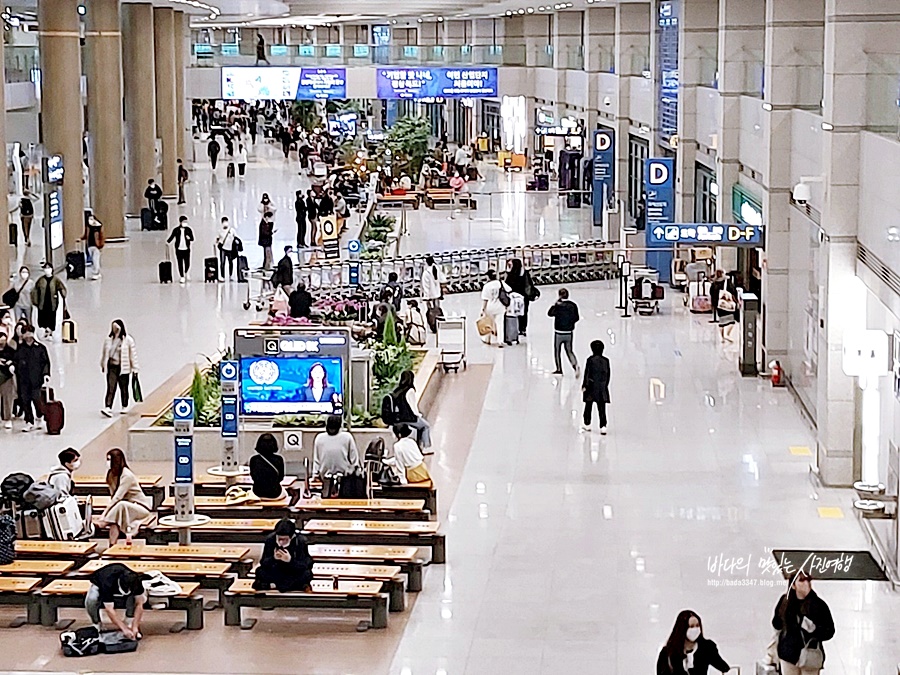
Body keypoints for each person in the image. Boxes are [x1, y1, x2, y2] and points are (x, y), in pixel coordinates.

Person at [772, 571, 835, 675]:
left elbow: (829, 631)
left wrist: (814, 629)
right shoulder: (785, 602)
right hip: (788, 655)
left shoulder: (818, 605)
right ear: (793, 585)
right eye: (801, 580)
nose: (806, 583)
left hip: (809, 655)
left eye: (808, 580)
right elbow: (776, 624)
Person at [99, 448, 152, 546]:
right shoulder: (111, 475)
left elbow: (117, 497)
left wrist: (104, 515)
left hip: (140, 508)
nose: (107, 462)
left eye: (109, 459)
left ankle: (104, 522)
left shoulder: (127, 475)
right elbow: (113, 496)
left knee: (120, 505)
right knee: (114, 520)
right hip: (124, 509)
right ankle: (112, 545)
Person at [85, 563, 149, 639]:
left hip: (121, 579)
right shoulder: (107, 583)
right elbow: (109, 609)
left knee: (135, 598)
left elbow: (139, 604)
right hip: (99, 581)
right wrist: (124, 629)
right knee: (91, 599)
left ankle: (129, 621)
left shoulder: (136, 580)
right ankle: (96, 623)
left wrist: (135, 626)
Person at [656, 610, 730, 675]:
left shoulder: (706, 647)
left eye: (697, 626)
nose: (695, 629)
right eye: (691, 626)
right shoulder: (668, 652)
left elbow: (723, 667)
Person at [252, 519, 313, 593]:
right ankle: (286, 586)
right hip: (276, 571)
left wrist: (290, 561)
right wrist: (273, 558)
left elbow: (306, 564)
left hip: (292, 572)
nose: (281, 542)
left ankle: (274, 585)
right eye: (279, 539)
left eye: (285, 540)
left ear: (292, 537)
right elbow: (263, 563)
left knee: (307, 574)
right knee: (260, 571)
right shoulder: (270, 540)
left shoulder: (300, 541)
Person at [12, 324, 49, 432]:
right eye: (26, 333)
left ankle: (40, 416)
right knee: (25, 400)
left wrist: (46, 374)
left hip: (36, 378)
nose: (28, 335)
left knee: (36, 398)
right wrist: (13, 366)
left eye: (30, 332)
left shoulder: (40, 348)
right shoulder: (20, 349)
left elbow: (45, 362)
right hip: (23, 379)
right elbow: (15, 360)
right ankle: (29, 421)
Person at [100, 319, 139, 418]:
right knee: (111, 387)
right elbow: (105, 353)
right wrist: (103, 365)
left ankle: (124, 405)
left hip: (123, 367)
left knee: (124, 387)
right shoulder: (108, 340)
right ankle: (108, 406)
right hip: (112, 366)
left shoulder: (128, 340)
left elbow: (132, 355)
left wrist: (135, 368)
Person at [390, 369, 432, 452]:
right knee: (425, 426)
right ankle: (426, 447)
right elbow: (412, 406)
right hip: (409, 418)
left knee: (420, 427)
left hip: (399, 418)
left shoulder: (397, 391)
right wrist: (419, 415)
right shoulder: (410, 390)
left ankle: (420, 445)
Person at [312, 414, 361, 479]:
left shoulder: (319, 438)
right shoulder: (347, 437)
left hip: (326, 477)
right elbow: (354, 460)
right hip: (344, 477)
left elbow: (316, 461)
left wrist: (315, 474)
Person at [547, 288, 580, 376]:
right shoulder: (573, 305)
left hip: (559, 332)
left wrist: (554, 304)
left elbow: (549, 313)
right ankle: (575, 365)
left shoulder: (558, 306)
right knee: (569, 350)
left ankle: (559, 369)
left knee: (557, 351)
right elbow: (577, 318)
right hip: (569, 332)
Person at [581, 340, 611, 434]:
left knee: (588, 406)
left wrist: (585, 385)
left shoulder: (590, 360)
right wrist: (605, 384)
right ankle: (603, 425)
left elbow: (587, 373)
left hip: (591, 386)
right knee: (602, 408)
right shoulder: (606, 361)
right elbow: (607, 374)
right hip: (601, 387)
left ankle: (587, 423)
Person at [504, 258, 539, 335]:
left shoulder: (511, 274)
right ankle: (523, 329)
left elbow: (507, 285)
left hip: (514, 298)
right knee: (524, 313)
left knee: (514, 313)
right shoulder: (525, 274)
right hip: (524, 298)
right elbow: (529, 285)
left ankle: (514, 328)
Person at [31, 265, 67, 339]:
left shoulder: (56, 280)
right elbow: (35, 290)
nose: (47, 270)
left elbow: (62, 288)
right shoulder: (40, 280)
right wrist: (35, 301)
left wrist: (63, 294)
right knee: (42, 317)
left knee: (51, 317)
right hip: (42, 302)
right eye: (45, 268)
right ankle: (45, 330)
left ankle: (50, 331)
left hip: (52, 302)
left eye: (49, 268)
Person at [249, 433, 285, 499]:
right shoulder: (279, 459)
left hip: (257, 492)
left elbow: (253, 477)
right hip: (275, 493)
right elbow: (281, 478)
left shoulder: (254, 460)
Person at [480, 269, 509, 347]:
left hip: (490, 306)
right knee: (500, 324)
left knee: (488, 323)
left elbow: (485, 299)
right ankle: (500, 341)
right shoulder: (500, 283)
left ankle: (487, 339)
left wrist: (483, 309)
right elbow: (509, 290)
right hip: (500, 306)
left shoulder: (486, 286)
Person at [166, 216, 195, 284]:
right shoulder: (176, 230)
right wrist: (168, 242)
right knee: (180, 263)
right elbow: (172, 236)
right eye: (184, 222)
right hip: (179, 249)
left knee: (187, 262)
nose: (185, 223)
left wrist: (189, 238)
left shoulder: (189, 230)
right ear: (180, 222)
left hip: (186, 249)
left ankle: (186, 272)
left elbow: (192, 238)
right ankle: (182, 276)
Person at [215, 217, 239, 281]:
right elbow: (217, 239)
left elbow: (236, 238)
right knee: (222, 262)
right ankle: (222, 276)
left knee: (230, 262)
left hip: (230, 249)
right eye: (224, 222)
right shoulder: (220, 231)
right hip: (223, 249)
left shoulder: (232, 230)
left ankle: (230, 275)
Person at [0, 330, 15, 430]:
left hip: (6, 377)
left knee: (7, 399)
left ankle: (7, 418)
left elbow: (15, 359)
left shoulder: (10, 350)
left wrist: (10, 363)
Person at [83, 213, 105, 281]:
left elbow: (102, 237)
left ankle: (96, 272)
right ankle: (96, 272)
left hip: (96, 246)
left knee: (95, 260)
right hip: (90, 245)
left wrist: (101, 245)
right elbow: (86, 235)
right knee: (93, 260)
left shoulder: (99, 227)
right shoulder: (88, 227)